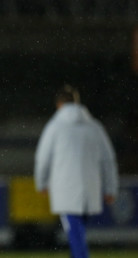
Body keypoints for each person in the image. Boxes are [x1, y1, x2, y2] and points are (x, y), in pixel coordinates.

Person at [34, 85, 119, 258]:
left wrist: (41, 182)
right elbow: (108, 160)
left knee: (75, 235)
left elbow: (42, 158)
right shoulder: (95, 126)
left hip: (66, 191)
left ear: (59, 104)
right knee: (77, 234)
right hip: (90, 191)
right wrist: (111, 187)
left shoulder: (55, 127)